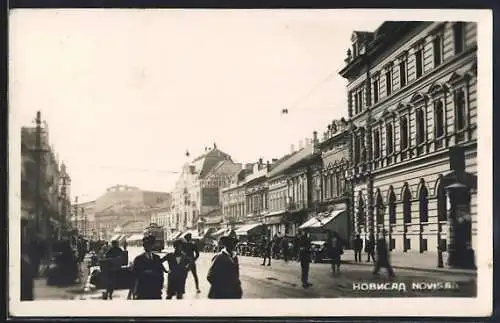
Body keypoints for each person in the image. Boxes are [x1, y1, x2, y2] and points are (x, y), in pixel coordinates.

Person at [207, 230, 242, 299]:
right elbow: (210, 276)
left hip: (232, 294)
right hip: (220, 294)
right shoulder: (219, 257)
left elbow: (236, 275)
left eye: (234, 242)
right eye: (231, 242)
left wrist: (238, 288)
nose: (233, 244)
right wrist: (222, 287)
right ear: (226, 243)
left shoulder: (235, 257)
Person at [131, 235, 165, 300]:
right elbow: (135, 274)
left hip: (155, 291)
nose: (148, 246)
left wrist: (160, 286)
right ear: (144, 246)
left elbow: (161, 273)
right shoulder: (138, 259)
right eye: (146, 244)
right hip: (143, 291)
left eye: (150, 244)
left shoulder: (157, 258)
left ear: (153, 245)